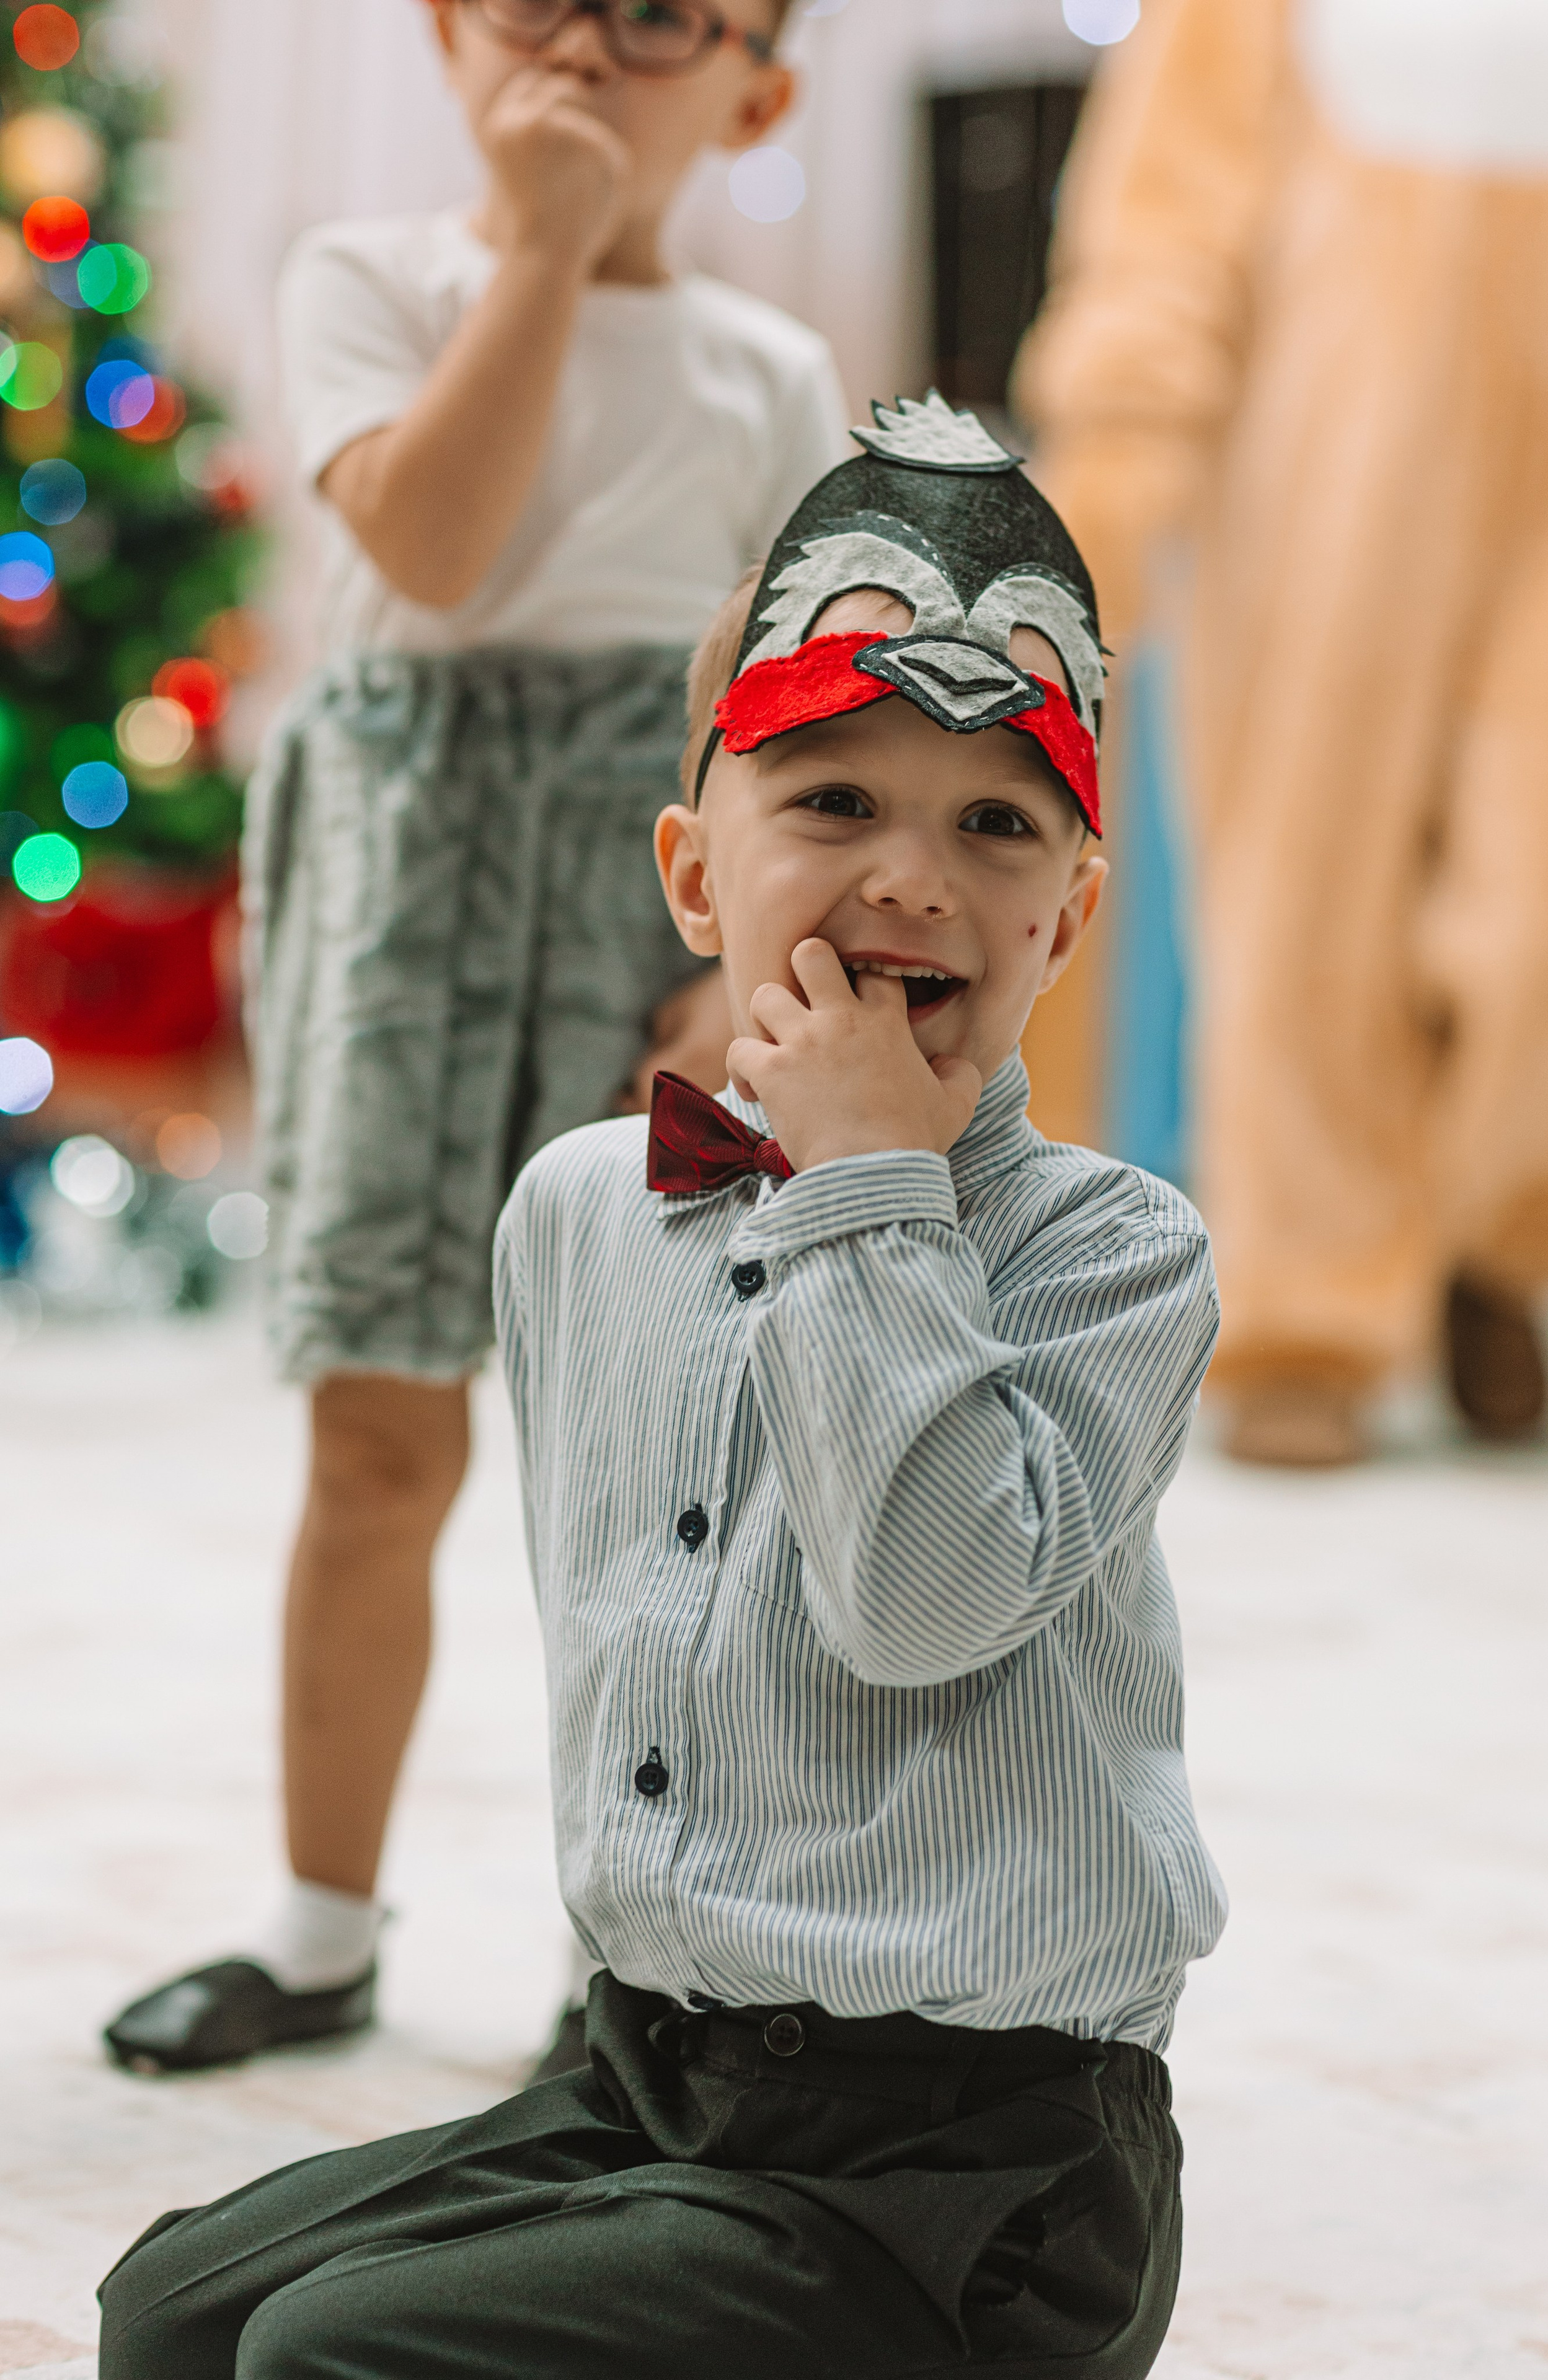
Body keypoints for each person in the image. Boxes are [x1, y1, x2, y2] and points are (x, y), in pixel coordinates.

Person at [99, 393, 1225, 2380]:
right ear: (696, 878)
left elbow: (923, 1601)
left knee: (327, 2366)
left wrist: (876, 1181)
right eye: (833, 804)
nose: (911, 878)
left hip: (974, 2171)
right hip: (658, 2077)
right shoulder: (583, 1213)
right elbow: (634, 1653)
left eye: (994, 823)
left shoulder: (1117, 1254)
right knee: (177, 2316)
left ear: (1070, 910)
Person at [102, 0, 849, 2077]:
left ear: (757, 92)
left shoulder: (772, 375)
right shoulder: (376, 280)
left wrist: (732, 973)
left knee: (643, 1473)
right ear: (446, 30)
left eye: (663, 19)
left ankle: (639, 1959)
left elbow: (785, 707)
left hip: (651, 923)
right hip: (409, 921)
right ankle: (320, 1926)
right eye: (537, 0)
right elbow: (428, 543)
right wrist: (540, 249)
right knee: (377, 1427)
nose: (589, 50)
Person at [1017, 0, 1548, 1466]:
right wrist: (1119, 443)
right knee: (1307, 883)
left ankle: (1495, 1232)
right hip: (1323, 471)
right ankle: (1310, 1311)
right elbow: (1163, 213)